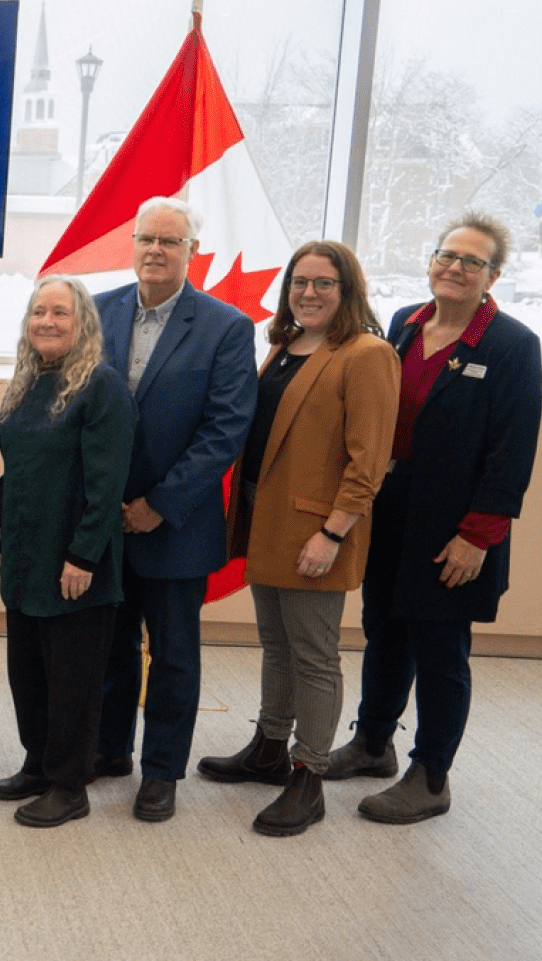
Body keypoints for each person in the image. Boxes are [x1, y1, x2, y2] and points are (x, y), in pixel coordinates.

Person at [327, 214, 541, 823]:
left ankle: (431, 774)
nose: (454, 268)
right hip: (392, 513)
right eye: (447, 255)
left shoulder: (514, 346)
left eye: (472, 262)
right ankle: (372, 743)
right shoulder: (402, 325)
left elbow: (512, 452)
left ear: (493, 275)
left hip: (457, 527)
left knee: (441, 649)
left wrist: (478, 536)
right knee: (385, 631)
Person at [197, 241, 397, 837]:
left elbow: (370, 461)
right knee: (276, 645)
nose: (309, 293)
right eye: (300, 282)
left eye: (324, 283)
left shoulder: (366, 354)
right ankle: (268, 745)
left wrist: (333, 533)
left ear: (348, 289)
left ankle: (308, 777)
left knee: (313, 656)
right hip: (265, 519)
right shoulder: (284, 346)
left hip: (317, 530)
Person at [89, 197, 257, 823]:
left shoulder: (226, 327)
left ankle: (161, 772)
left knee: (174, 656)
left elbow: (225, 429)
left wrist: (159, 505)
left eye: (170, 241)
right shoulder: (96, 310)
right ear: (132, 244)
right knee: (110, 646)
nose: (155, 250)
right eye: (146, 238)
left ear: (191, 252)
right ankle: (108, 752)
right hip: (103, 522)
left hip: (175, 524)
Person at [0, 276, 134, 827]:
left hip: (76, 562)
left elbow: (107, 483)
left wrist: (84, 556)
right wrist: (8, 542)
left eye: (61, 313)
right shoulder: (27, 385)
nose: (47, 321)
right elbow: (14, 475)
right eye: (38, 312)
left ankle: (70, 785)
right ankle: (38, 764)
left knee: (73, 678)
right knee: (28, 671)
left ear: (84, 325)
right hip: (27, 554)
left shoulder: (102, 388)